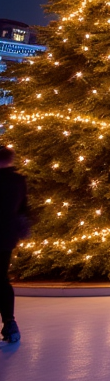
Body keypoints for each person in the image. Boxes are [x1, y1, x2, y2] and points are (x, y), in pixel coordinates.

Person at [0, 147, 30, 343]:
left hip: (4, 235)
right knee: (2, 279)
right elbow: (24, 209)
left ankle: (10, 325)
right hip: (7, 237)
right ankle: (10, 323)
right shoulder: (18, 180)